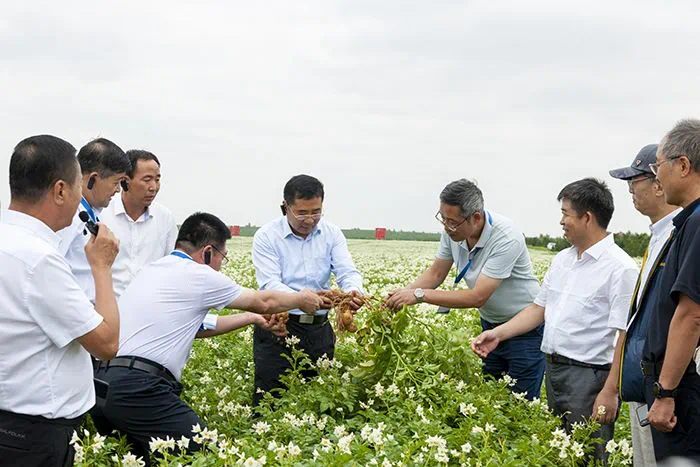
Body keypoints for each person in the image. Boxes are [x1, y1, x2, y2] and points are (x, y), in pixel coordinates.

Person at [91, 212, 324, 464]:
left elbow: (200, 327)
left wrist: (252, 319)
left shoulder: (155, 269)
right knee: (207, 454)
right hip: (140, 389)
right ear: (208, 252)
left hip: (104, 387)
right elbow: (263, 300)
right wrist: (300, 299)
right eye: (222, 258)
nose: (220, 266)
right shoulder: (198, 274)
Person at [472, 178, 639, 462]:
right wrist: (498, 333)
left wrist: (610, 391)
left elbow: (624, 334)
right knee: (559, 451)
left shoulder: (620, 268)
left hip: (590, 377)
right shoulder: (563, 259)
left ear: (587, 217)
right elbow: (539, 309)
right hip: (555, 370)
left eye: (566, 213)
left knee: (588, 455)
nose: (561, 221)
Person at [0, 135, 120, 466]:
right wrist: (102, 267)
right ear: (60, 191)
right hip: (34, 436)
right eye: (79, 185)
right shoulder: (38, 259)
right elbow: (106, 342)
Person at [386, 178, 544, 400]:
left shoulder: (507, 237)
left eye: (452, 222)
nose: (446, 227)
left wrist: (419, 295)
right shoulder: (453, 232)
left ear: (476, 217)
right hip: (490, 325)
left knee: (520, 401)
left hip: (523, 328)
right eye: (443, 219)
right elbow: (436, 274)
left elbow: (477, 296)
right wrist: (402, 293)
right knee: (493, 395)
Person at [593, 144, 681, 466]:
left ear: (659, 183)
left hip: (667, 389)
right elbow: (634, 323)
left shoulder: (682, 235)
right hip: (645, 383)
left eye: (635, 180)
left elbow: (686, 317)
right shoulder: (658, 236)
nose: (630, 190)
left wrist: (666, 391)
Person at [251, 174, 364, 406]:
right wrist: (300, 299)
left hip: (318, 331)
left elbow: (347, 271)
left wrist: (353, 292)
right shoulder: (267, 236)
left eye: (316, 211)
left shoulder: (331, 234)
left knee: (317, 399)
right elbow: (270, 284)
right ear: (286, 206)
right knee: (269, 401)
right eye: (302, 212)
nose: (310, 219)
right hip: (279, 327)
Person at [642, 119, 700, 462]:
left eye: (658, 166)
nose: (656, 177)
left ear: (683, 165)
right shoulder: (689, 221)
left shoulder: (697, 222)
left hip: (681, 388)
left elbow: (691, 314)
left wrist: (665, 392)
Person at [58, 138, 130, 302]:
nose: (118, 190)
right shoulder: (68, 214)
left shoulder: (93, 212)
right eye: (116, 182)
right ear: (94, 179)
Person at [100, 149, 178, 297]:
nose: (153, 187)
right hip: (108, 308)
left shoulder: (165, 217)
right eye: (147, 179)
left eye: (157, 179)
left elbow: (173, 266)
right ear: (125, 181)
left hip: (149, 309)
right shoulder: (103, 214)